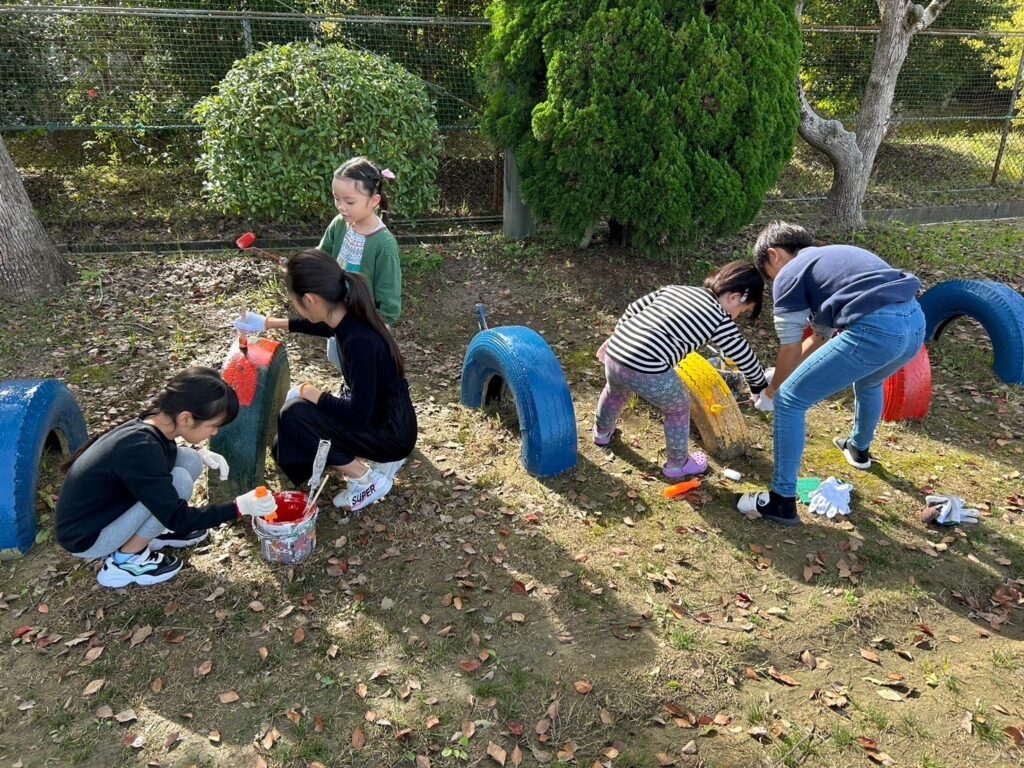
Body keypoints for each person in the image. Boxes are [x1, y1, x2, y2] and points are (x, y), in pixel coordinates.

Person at [735, 221, 925, 526]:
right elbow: (820, 338)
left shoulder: (789, 274)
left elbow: (790, 348)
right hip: (915, 325)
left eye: (768, 275)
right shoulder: (835, 256)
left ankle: (781, 500)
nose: (773, 282)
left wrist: (772, 392)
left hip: (876, 330)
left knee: (790, 401)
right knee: (870, 380)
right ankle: (858, 449)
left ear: (774, 255)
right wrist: (782, 373)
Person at [55, 367, 279, 588]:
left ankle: (154, 533)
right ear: (186, 418)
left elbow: (163, 458)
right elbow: (179, 517)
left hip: (104, 512)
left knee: (190, 460)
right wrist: (240, 506)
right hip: (88, 538)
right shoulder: (141, 449)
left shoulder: (152, 424)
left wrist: (201, 454)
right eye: (213, 426)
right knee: (179, 482)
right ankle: (125, 561)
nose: (215, 433)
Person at [234, 249, 417, 511]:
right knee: (296, 419)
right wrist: (267, 323)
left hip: (391, 434)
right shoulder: (350, 314)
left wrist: (310, 392)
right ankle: (349, 464)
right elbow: (321, 325)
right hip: (389, 418)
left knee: (295, 414)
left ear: (310, 299)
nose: (295, 305)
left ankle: (365, 479)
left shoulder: (359, 343)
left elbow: (357, 416)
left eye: (294, 301)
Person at [594, 261, 770, 478]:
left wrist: (620, 339)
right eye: (741, 311)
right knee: (678, 407)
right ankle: (678, 464)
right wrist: (759, 385)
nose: (736, 317)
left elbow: (633, 309)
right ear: (735, 297)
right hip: (647, 368)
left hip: (616, 353)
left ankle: (601, 433)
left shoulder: (674, 290)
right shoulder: (719, 319)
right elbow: (743, 355)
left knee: (614, 391)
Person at [319, 157, 402, 370]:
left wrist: (379, 328)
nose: (341, 207)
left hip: (366, 325)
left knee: (362, 369)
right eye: (336, 199)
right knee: (338, 358)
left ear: (374, 201)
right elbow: (322, 257)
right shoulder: (339, 224)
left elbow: (389, 293)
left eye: (349, 201)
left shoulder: (384, 244)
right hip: (336, 315)